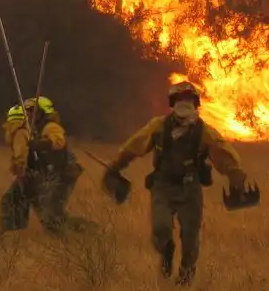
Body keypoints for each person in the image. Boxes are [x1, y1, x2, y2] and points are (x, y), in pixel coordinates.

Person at [103, 81, 250, 286]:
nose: (184, 103)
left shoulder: (203, 131)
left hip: (190, 190)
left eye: (188, 99)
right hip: (162, 186)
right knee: (160, 229)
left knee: (190, 238)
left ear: (195, 103)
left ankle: (185, 273)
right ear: (173, 103)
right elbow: (135, 145)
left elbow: (224, 155)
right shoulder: (158, 126)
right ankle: (167, 251)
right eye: (180, 99)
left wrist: (237, 179)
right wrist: (116, 165)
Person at [0, 96, 83, 233]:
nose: (29, 115)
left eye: (33, 111)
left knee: (53, 213)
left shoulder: (51, 127)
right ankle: (11, 231)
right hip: (47, 173)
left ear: (43, 112)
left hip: (64, 173)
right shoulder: (31, 129)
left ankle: (85, 231)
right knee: (40, 209)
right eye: (28, 112)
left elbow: (58, 142)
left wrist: (41, 144)